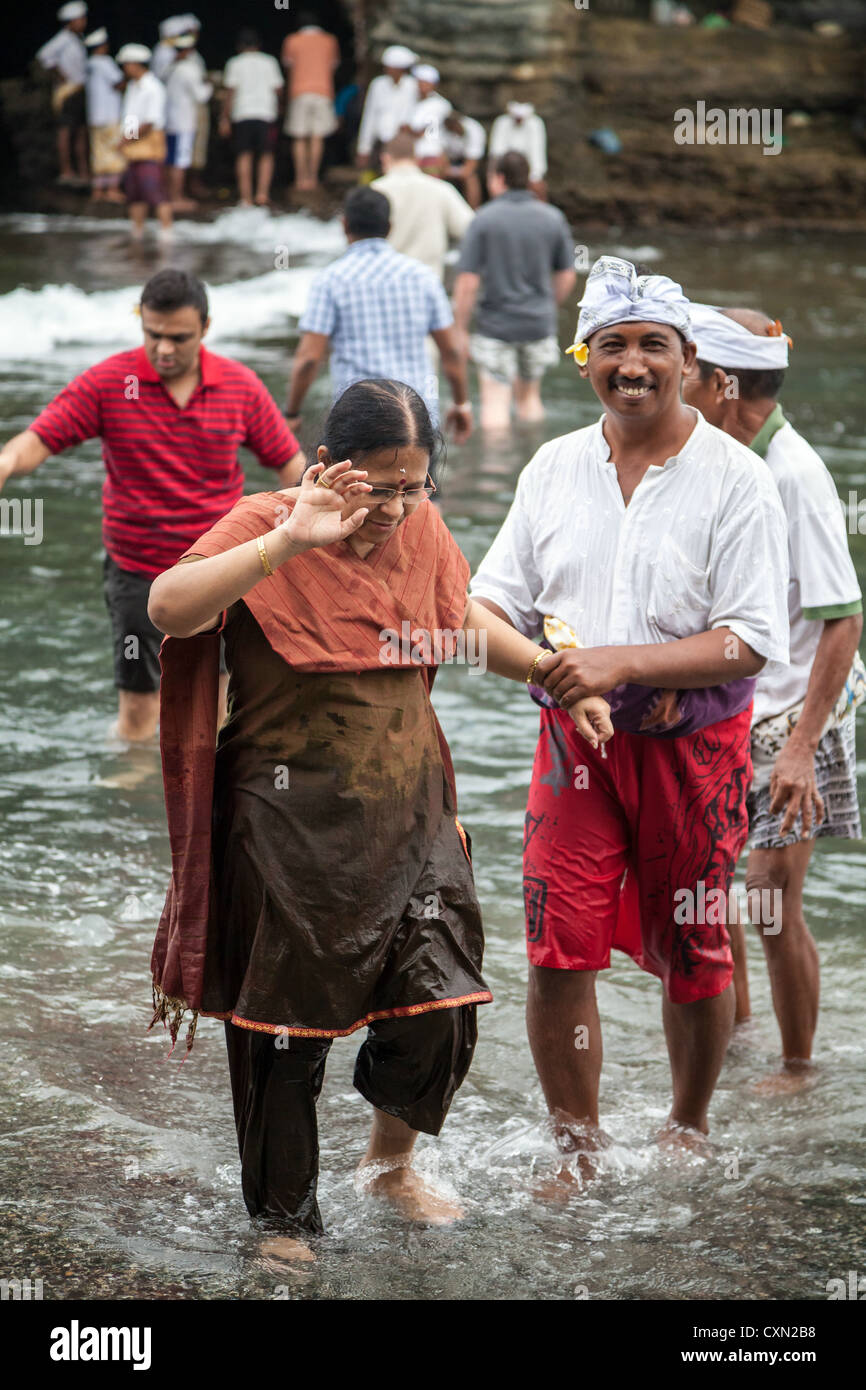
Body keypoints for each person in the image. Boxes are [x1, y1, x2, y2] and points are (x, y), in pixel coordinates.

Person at [146, 377, 612, 1252]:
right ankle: (284, 1219)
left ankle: (390, 1164)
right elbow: (169, 606)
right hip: (286, 829)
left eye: (415, 487)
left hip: (411, 814)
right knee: (284, 1033)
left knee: (442, 1001)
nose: (398, 508)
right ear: (330, 466)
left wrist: (552, 674)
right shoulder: (266, 523)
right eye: (380, 487)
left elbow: (456, 617)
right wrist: (289, 540)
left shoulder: (422, 530)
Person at [469, 256, 790, 1162]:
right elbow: (483, 607)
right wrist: (554, 669)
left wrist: (619, 663)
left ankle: (687, 1125)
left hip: (696, 752)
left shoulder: (736, 479)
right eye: (614, 345)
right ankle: (577, 1144)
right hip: (572, 743)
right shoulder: (552, 467)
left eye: (656, 346)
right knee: (554, 947)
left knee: (694, 950)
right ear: (584, 358)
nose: (635, 364)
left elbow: (749, 640)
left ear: (690, 363)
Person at [0, 270, 304, 745]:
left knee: (222, 709)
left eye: (178, 337)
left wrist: (303, 532)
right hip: (138, 573)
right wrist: (4, 461)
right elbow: (40, 438)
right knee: (139, 717)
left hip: (221, 571)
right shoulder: (111, 382)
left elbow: (291, 466)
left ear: (205, 327)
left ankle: (205, 809)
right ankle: (131, 812)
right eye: (153, 334)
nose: (164, 348)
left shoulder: (239, 386)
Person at [683, 303, 863, 1082]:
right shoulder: (724, 455)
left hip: (798, 718)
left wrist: (800, 748)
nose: (671, 380)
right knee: (719, 897)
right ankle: (738, 1035)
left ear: (723, 384)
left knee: (770, 901)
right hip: (735, 711)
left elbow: (844, 620)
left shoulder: (795, 474)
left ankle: (796, 1069)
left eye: (686, 369)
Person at [287, 187, 472, 441]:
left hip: (358, 423)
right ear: (389, 227)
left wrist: (292, 412)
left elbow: (308, 359)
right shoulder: (423, 277)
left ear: (344, 225)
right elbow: (451, 351)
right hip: (416, 421)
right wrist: (461, 403)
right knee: (421, 481)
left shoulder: (330, 280)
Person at [452, 152, 575, 429]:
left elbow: (468, 281)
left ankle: (497, 467)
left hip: (495, 326)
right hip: (538, 324)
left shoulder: (483, 219)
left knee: (495, 402)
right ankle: (532, 459)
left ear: (498, 178)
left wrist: (460, 328)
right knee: (530, 400)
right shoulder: (552, 218)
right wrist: (547, 304)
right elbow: (567, 275)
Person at [373, 133, 474, 281]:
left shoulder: (374, 191)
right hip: (428, 283)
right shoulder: (441, 190)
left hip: (386, 284)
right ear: (417, 159)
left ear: (385, 158)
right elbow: (471, 228)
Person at [219, 29, 284, 208]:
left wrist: (224, 118)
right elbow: (278, 89)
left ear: (240, 46)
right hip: (265, 113)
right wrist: (280, 107)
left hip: (243, 113)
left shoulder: (235, 63)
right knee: (266, 154)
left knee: (244, 154)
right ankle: (262, 194)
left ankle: (245, 197)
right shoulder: (269, 62)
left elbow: (230, 93)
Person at [116, 44, 172, 239]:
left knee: (155, 191)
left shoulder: (153, 87)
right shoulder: (133, 86)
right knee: (135, 193)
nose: (125, 68)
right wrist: (126, 140)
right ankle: (137, 232)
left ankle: (166, 232)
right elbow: (131, 116)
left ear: (136, 64)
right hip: (134, 145)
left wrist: (127, 139)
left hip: (149, 144)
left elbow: (150, 121)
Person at [281, 14, 340, 192]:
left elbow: (288, 66)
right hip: (323, 91)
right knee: (317, 136)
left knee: (299, 136)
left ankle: (300, 179)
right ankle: (313, 179)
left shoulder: (292, 40)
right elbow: (334, 66)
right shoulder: (330, 41)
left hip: (299, 92)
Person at [36, 1, 90, 187]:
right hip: (68, 91)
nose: (84, 22)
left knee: (81, 131)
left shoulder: (78, 38)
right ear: (71, 21)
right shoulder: (63, 39)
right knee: (67, 131)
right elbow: (44, 56)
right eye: (81, 18)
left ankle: (82, 171)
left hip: (80, 90)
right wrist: (63, 77)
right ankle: (66, 170)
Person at [165, 33, 212, 210]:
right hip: (184, 122)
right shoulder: (189, 69)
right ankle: (176, 197)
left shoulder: (171, 68)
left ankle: (170, 195)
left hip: (170, 121)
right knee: (180, 161)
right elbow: (202, 96)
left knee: (171, 160)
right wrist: (209, 84)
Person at [355, 45, 417, 174]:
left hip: (404, 142)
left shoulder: (413, 86)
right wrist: (364, 148)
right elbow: (370, 116)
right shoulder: (378, 85)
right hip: (381, 142)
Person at [84, 28, 124, 203]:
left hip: (94, 117)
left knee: (98, 152)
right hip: (109, 116)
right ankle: (112, 189)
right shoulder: (104, 62)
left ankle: (98, 190)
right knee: (115, 152)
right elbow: (118, 82)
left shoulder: (88, 64)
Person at [489, 101, 547, 198]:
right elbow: (496, 155)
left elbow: (538, 159)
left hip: (528, 175)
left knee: (538, 186)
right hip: (504, 174)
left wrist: (534, 178)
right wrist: (493, 177)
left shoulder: (536, 123)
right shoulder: (501, 123)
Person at [409, 63, 451, 173]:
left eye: (424, 82)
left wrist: (409, 131)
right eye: (419, 82)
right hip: (413, 154)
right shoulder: (412, 101)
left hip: (431, 154)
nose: (421, 85)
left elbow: (425, 131)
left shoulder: (440, 104)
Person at [442, 112, 487, 209]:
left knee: (470, 178)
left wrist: (454, 171)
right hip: (452, 162)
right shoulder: (443, 129)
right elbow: (441, 156)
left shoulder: (474, 129)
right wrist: (444, 169)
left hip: (471, 164)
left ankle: (473, 210)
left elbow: (470, 167)